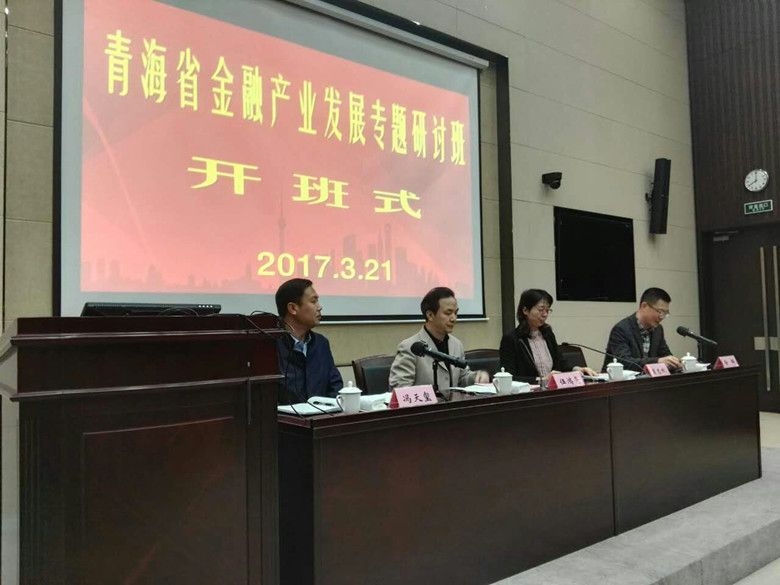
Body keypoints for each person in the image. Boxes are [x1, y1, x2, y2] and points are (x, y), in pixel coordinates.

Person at [389, 287, 490, 391]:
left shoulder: (456, 344)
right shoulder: (410, 347)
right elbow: (400, 388)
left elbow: (462, 379)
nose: (454, 318)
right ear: (430, 315)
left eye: (455, 313)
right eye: (448, 313)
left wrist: (476, 377)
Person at [499, 288, 598, 383]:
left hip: (551, 390)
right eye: (541, 309)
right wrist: (542, 380)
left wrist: (578, 369)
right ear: (525, 310)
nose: (545, 314)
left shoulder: (547, 334)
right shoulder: (512, 339)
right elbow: (509, 377)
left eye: (547, 310)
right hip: (529, 392)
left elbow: (560, 363)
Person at [275, 278, 343, 403]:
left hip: (323, 414)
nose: (320, 307)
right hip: (286, 415)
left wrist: (328, 408)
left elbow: (336, 386)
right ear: (293, 308)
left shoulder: (321, 343)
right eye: (313, 301)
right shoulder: (271, 346)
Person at [602, 287, 682, 372]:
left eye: (665, 313)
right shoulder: (621, 329)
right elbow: (624, 362)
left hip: (648, 379)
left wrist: (675, 362)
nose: (662, 317)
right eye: (660, 312)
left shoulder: (658, 329)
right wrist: (657, 361)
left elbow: (665, 355)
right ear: (644, 306)